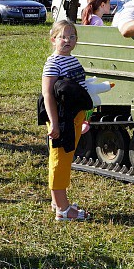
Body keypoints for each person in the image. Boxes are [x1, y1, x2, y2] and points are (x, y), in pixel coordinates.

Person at [41, 20, 90, 221]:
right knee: (60, 161)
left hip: (73, 116)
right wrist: (54, 123)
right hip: (61, 118)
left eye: (72, 37)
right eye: (62, 37)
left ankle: (57, 201)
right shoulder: (53, 62)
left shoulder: (71, 59)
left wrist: (85, 116)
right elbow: (47, 94)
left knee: (65, 158)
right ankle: (63, 209)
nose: (67, 41)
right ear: (53, 39)